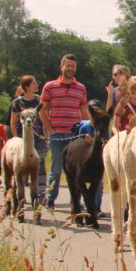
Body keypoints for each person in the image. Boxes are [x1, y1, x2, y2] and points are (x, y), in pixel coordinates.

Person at [39, 54, 90, 209]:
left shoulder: (81, 88)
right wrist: (49, 129)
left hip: (75, 134)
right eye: (67, 66)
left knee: (76, 170)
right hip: (57, 134)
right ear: (61, 67)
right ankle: (50, 198)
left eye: (73, 66)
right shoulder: (50, 86)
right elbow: (42, 110)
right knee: (56, 168)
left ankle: (75, 201)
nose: (70, 69)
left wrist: (87, 131)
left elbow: (84, 112)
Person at [9, 75, 48, 197]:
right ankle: (20, 192)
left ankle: (41, 192)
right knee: (22, 164)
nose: (37, 85)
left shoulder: (39, 100)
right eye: (34, 84)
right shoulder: (17, 102)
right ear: (27, 86)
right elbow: (13, 122)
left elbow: (43, 118)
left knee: (40, 162)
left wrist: (46, 136)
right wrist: (16, 138)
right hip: (23, 139)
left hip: (38, 136)